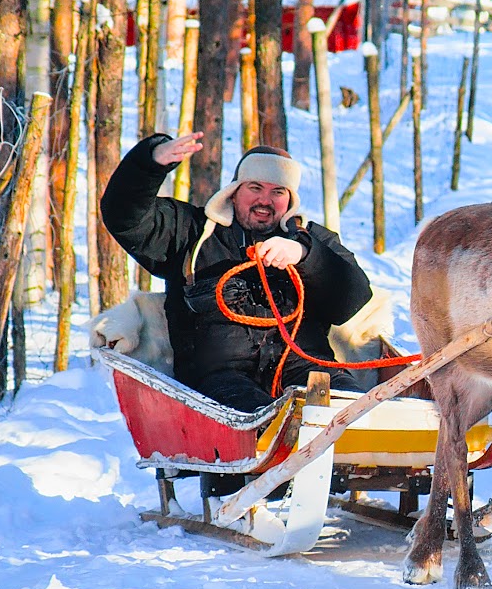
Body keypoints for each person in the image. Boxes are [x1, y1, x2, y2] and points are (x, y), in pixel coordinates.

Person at [101, 131, 374, 415]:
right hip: (220, 381)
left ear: (290, 199)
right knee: (263, 422)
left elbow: (352, 298)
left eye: (277, 192)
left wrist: (306, 256)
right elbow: (124, 215)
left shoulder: (313, 240)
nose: (264, 201)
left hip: (308, 369)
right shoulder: (190, 233)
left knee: (363, 413)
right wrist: (149, 163)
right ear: (235, 190)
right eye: (255, 187)